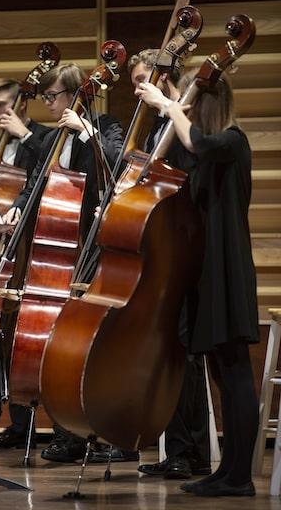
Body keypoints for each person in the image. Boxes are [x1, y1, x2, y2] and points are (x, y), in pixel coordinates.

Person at [4, 63, 136, 463]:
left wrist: (86, 130)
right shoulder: (50, 140)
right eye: (44, 97)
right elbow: (34, 185)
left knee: (97, 346)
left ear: (78, 93)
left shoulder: (106, 126)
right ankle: (69, 433)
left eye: (53, 96)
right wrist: (17, 209)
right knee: (59, 346)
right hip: (58, 256)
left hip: (95, 251)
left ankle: (112, 433)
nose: (47, 104)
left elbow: (117, 166)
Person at [136, 71, 259, 497]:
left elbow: (198, 142)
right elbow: (167, 164)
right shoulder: (207, 153)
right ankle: (227, 470)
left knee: (237, 372)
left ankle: (240, 477)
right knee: (223, 375)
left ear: (207, 102)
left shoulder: (231, 141)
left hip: (228, 270)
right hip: (207, 271)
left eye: (193, 100)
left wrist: (170, 106)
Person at [123, 49, 211, 479]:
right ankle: (180, 448)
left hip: (189, 250)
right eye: (136, 83)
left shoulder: (187, 119)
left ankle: (191, 452)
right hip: (163, 251)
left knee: (186, 353)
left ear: (166, 78)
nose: (140, 90)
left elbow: (195, 174)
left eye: (144, 80)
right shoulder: (159, 126)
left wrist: (170, 110)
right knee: (172, 353)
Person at [0, 77, 52, 451]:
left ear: (23, 102)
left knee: (29, 338)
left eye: (3, 103)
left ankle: (49, 423)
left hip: (33, 251)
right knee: (1, 334)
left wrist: (25, 135)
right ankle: (19, 424)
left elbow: (49, 180)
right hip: (1, 254)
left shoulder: (44, 138)